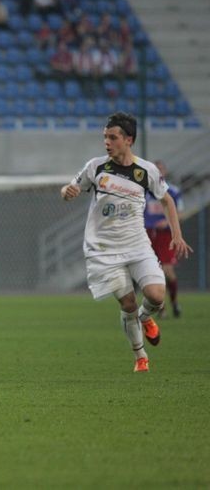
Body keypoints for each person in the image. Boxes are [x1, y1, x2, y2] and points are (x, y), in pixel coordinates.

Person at [60, 112, 192, 373]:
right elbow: (68, 189)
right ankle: (140, 356)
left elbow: (166, 200)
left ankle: (145, 319)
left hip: (137, 244)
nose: (107, 142)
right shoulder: (95, 167)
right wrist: (68, 192)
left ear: (129, 140)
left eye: (113, 137)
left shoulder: (146, 171)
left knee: (155, 295)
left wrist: (177, 234)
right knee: (128, 303)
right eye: (105, 137)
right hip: (103, 249)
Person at [144, 160, 184, 318]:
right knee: (153, 273)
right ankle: (161, 308)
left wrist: (167, 222)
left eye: (161, 169)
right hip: (147, 234)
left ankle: (174, 302)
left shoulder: (173, 191)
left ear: (165, 172)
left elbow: (180, 213)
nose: (159, 172)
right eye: (156, 169)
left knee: (168, 270)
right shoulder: (144, 191)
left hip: (166, 235)